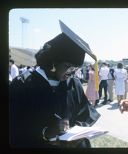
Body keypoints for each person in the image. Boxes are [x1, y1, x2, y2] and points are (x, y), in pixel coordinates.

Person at [9, 20, 100, 148]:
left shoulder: (73, 83)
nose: (71, 73)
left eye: (75, 68)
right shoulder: (23, 85)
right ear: (53, 61)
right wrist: (45, 133)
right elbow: (13, 129)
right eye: (68, 66)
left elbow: (85, 113)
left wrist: (77, 132)